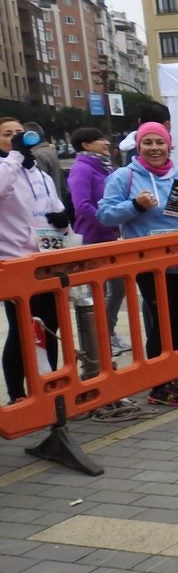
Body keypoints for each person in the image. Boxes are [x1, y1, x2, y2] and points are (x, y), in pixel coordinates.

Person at [96, 122, 178, 406]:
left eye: (160, 142)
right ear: (138, 145)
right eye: (148, 143)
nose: (155, 148)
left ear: (169, 145)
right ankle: (159, 385)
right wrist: (134, 206)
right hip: (148, 264)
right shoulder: (125, 177)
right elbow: (105, 216)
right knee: (163, 322)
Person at [1, 123, 65, 404]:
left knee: (50, 327)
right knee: (21, 331)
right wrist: (15, 155)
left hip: (45, 261)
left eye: (19, 131)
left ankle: (48, 386)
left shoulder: (39, 172)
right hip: (14, 262)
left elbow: (54, 208)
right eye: (7, 133)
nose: (16, 136)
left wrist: (63, 220)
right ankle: (18, 395)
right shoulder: (5, 169)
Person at [67, 127, 129, 354]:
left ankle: (108, 332)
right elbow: (82, 206)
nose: (105, 142)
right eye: (100, 139)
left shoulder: (105, 167)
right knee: (98, 292)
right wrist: (109, 221)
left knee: (119, 288)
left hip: (111, 237)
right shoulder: (81, 169)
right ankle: (99, 341)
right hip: (92, 238)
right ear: (86, 145)